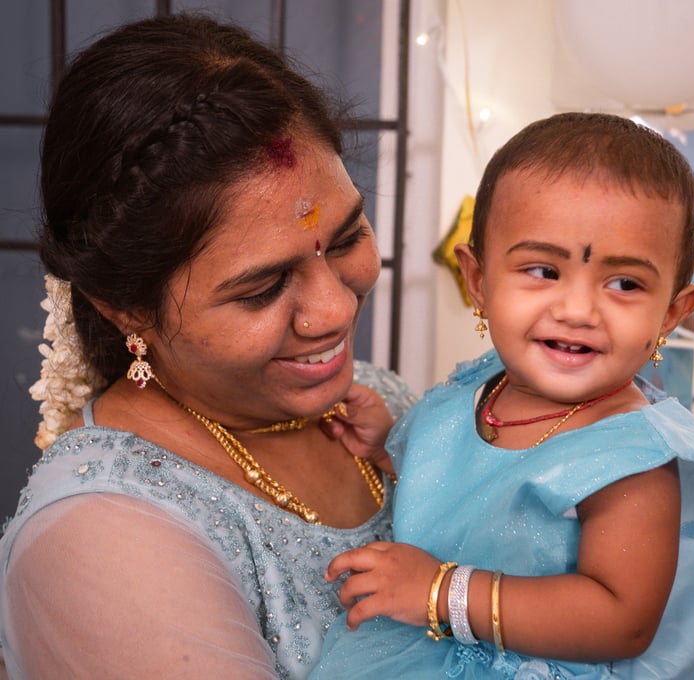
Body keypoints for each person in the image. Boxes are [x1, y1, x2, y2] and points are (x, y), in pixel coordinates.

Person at [0, 13, 415, 680]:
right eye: (264, 287)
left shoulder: (373, 403)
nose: (335, 309)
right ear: (126, 306)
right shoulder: (105, 539)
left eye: (345, 238)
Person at [310, 113, 694, 679]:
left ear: (672, 313)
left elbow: (621, 621)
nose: (577, 311)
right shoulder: (479, 387)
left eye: (625, 284)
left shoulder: (630, 457)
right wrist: (388, 446)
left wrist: (440, 591)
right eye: (543, 270)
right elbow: (465, 492)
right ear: (478, 282)